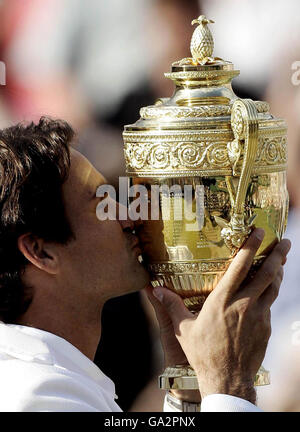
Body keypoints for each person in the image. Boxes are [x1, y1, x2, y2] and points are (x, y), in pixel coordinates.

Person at [0, 117, 290, 412]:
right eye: (101, 202)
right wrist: (229, 384)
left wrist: (189, 387)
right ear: (41, 252)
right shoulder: (36, 395)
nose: (132, 216)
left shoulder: (43, 382)